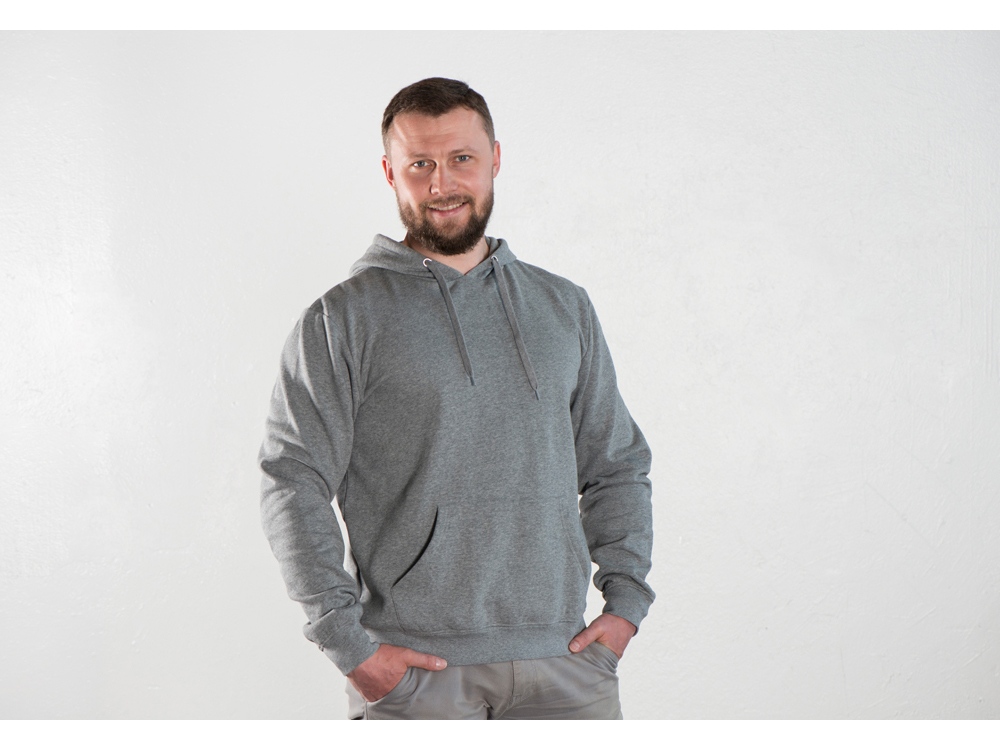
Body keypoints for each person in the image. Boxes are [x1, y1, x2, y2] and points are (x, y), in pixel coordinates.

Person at [259, 77, 654, 720]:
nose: (442, 184)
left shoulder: (563, 306)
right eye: (420, 164)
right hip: (417, 675)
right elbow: (292, 479)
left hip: (567, 662)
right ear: (390, 173)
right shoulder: (341, 320)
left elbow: (616, 464)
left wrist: (626, 605)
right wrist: (348, 644)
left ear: (495, 159)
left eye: (461, 158)